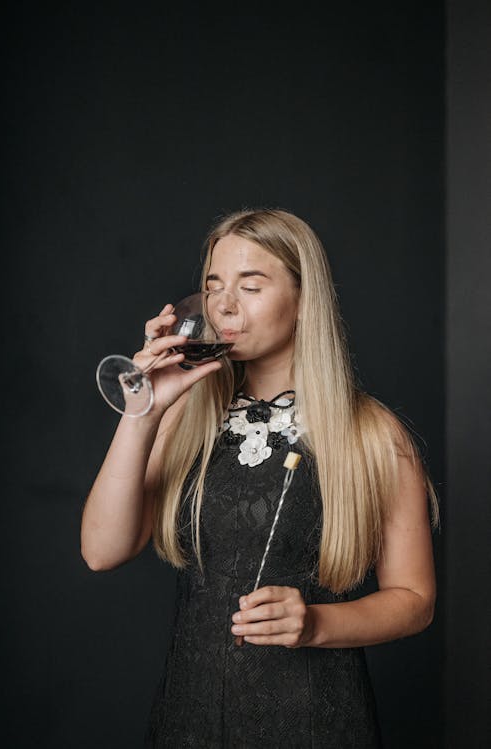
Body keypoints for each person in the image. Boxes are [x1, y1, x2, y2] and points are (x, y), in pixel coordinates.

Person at [81, 208, 438, 748]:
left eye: (250, 286)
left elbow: (414, 599)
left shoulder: (372, 434)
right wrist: (144, 409)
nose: (224, 305)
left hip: (316, 718)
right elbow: (101, 551)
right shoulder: (186, 415)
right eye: (213, 285)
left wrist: (317, 624)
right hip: (190, 711)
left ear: (303, 301)